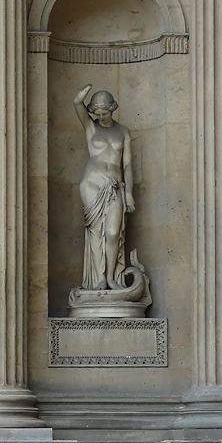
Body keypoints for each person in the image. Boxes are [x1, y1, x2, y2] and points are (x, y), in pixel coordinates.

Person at [73, 84, 136, 291]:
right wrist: (81, 97)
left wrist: (128, 194)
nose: (101, 116)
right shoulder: (91, 128)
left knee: (112, 233)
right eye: (97, 113)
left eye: (105, 112)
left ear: (113, 108)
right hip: (92, 183)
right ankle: (99, 278)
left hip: (116, 185)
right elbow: (77, 105)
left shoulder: (123, 131)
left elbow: (127, 165)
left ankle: (110, 278)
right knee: (96, 231)